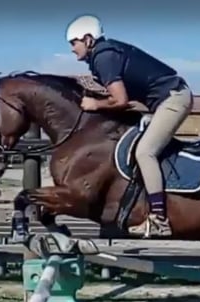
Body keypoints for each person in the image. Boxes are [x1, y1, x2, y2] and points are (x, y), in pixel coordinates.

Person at [65, 14, 193, 238]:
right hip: (165, 100)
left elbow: (121, 100)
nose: (72, 49)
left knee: (145, 152)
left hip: (173, 99)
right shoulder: (105, 54)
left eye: (74, 43)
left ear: (88, 40)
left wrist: (95, 104)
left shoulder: (103, 57)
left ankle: (159, 220)